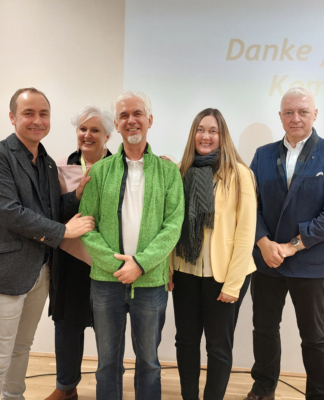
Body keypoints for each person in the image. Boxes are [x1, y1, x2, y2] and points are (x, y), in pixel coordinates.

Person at [0, 88, 95, 400]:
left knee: (21, 348)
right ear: (12, 117)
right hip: (5, 273)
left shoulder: (47, 163)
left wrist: (77, 195)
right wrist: (63, 231)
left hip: (40, 272)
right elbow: (11, 213)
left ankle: (14, 397)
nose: (37, 120)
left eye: (44, 114)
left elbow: (49, 209)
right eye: (29, 113)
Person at [245, 87, 324, 400]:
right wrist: (264, 242)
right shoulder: (262, 155)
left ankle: (320, 395)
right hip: (267, 260)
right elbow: (249, 205)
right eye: (289, 112)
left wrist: (292, 245)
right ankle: (263, 388)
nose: (296, 118)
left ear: (315, 115)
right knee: (264, 329)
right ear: (280, 116)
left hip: (311, 261)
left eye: (303, 112)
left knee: (314, 336)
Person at [79, 91, 185, 400]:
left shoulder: (168, 172)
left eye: (137, 113)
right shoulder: (99, 172)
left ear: (149, 120)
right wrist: (118, 266)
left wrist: (140, 264)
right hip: (106, 281)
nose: (131, 120)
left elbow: (173, 226)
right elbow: (86, 225)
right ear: (116, 124)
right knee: (107, 362)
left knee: (149, 362)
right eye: (123, 115)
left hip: (150, 282)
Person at [169, 108, 257, 400]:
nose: (205, 136)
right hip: (185, 271)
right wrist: (168, 268)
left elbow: (245, 232)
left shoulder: (240, 174)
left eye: (212, 131)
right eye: (200, 129)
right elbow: (171, 225)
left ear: (222, 136)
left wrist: (233, 284)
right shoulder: (181, 171)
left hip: (224, 275)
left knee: (218, 346)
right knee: (185, 342)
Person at [46, 106, 114, 400]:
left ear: (107, 136)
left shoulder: (122, 167)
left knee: (109, 332)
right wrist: (76, 196)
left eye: (95, 130)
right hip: (70, 260)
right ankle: (66, 388)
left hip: (108, 261)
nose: (87, 135)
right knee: (67, 328)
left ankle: (109, 390)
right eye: (82, 129)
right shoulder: (60, 166)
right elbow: (52, 214)